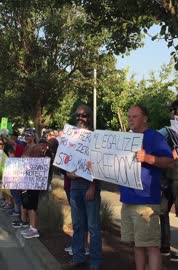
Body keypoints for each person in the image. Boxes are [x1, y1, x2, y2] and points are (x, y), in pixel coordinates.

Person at [119, 105, 174, 270]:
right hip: (128, 199)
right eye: (129, 117)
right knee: (137, 243)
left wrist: (148, 158)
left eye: (134, 116)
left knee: (151, 245)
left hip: (146, 201)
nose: (130, 120)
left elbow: (170, 161)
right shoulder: (126, 138)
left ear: (145, 118)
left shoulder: (154, 137)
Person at [65, 104, 102, 270]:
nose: (80, 118)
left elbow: (98, 165)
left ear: (90, 117)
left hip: (89, 186)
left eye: (84, 115)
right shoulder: (70, 136)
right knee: (78, 224)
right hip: (74, 186)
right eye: (78, 115)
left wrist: (92, 187)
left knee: (93, 226)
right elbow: (65, 160)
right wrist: (67, 173)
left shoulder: (95, 137)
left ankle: (95, 262)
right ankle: (78, 257)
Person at [158, 100, 178, 262]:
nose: (177, 115)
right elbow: (153, 138)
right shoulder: (167, 130)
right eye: (175, 112)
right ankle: (164, 245)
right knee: (162, 211)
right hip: (167, 177)